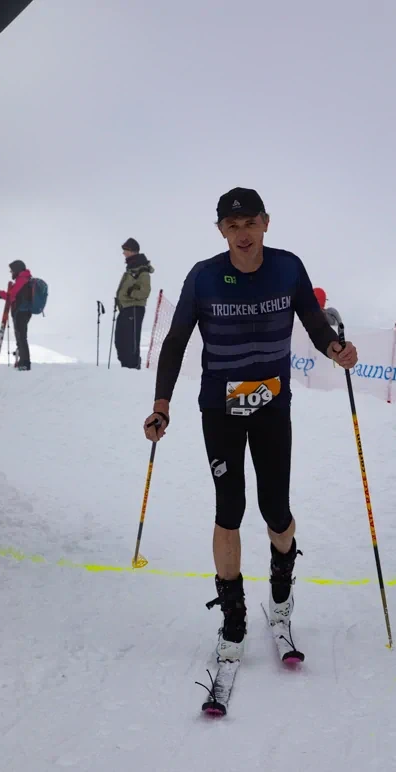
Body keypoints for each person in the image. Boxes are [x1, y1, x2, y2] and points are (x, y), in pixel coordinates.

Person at [143, 188, 358, 662]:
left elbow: (313, 321)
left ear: (266, 223)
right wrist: (162, 404)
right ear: (221, 230)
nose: (242, 234)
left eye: (250, 223)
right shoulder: (203, 277)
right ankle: (234, 617)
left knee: (276, 511)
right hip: (219, 408)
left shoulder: (288, 268)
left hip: (272, 406)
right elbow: (176, 341)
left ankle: (280, 595)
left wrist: (334, 348)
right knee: (230, 508)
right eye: (232, 226)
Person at [114, 238, 154, 369]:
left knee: (130, 341)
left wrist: (130, 293)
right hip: (126, 308)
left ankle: (132, 367)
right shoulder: (132, 267)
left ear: (132, 251)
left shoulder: (142, 270)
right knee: (120, 340)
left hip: (134, 309)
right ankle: (126, 367)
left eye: (125, 250)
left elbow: (145, 291)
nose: (123, 253)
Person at [0, 260, 33, 371]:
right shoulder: (24, 279)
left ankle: (25, 363)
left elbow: (11, 296)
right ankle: (22, 361)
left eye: (12, 270)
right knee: (20, 336)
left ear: (17, 269)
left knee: (21, 337)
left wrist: (0, 293)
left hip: (21, 312)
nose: (11, 272)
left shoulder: (22, 279)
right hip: (23, 311)